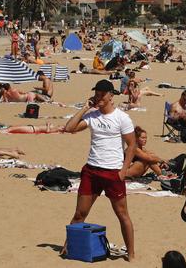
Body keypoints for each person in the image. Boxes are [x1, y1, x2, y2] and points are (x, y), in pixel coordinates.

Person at [62, 79, 137, 260]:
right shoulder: (92, 116)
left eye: (102, 94)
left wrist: (124, 171)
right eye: (97, 94)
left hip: (113, 172)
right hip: (92, 170)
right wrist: (85, 107)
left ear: (111, 96)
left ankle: (132, 254)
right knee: (80, 213)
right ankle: (68, 246)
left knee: (122, 214)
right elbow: (69, 128)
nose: (99, 97)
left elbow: (132, 145)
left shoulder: (122, 118)